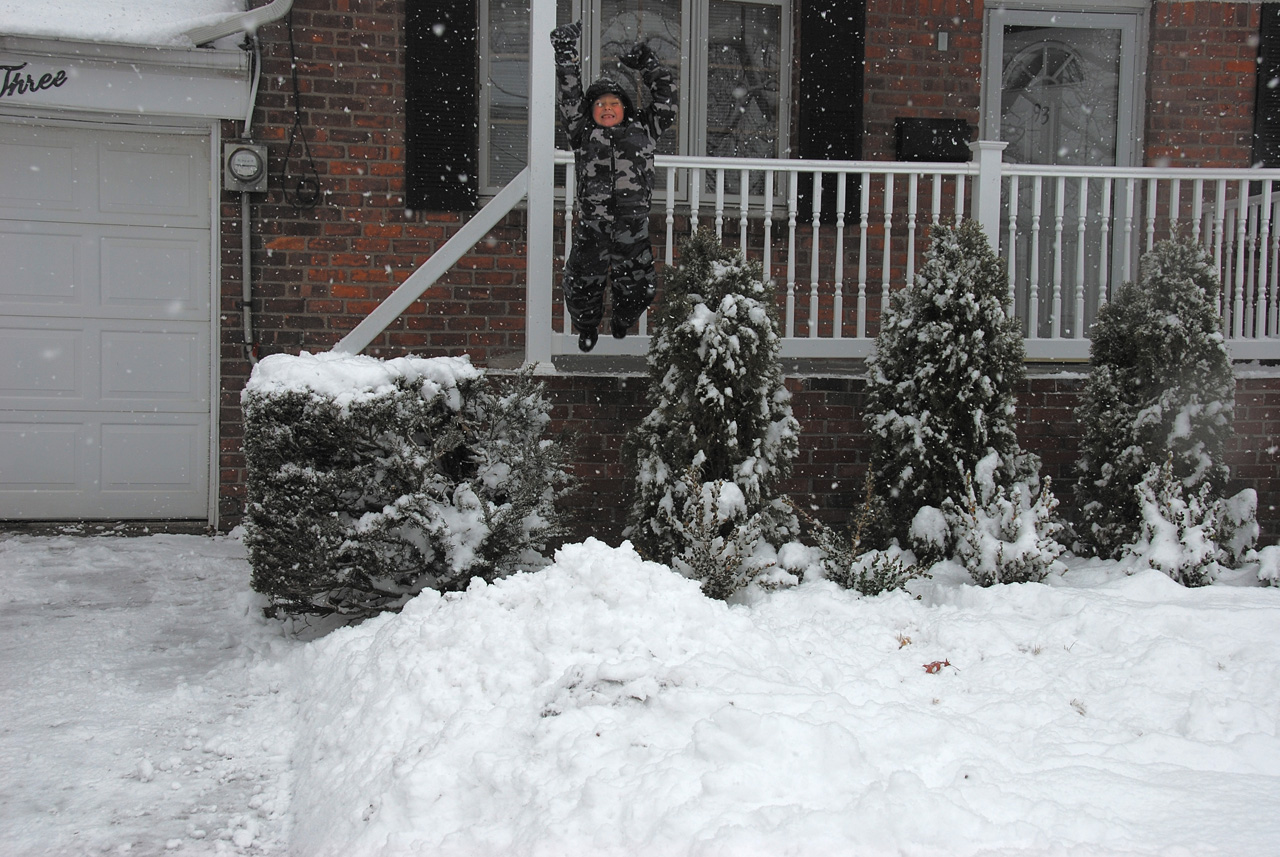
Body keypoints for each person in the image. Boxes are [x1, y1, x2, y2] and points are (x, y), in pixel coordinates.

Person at [550, 21, 677, 352]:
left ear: (625, 109)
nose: (607, 108)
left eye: (614, 103)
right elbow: (569, 94)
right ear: (591, 112)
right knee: (581, 284)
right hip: (593, 227)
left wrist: (647, 63)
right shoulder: (581, 133)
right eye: (600, 104)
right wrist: (566, 52)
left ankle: (623, 320)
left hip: (632, 227)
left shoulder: (645, 129)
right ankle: (587, 326)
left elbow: (666, 97)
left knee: (639, 285)